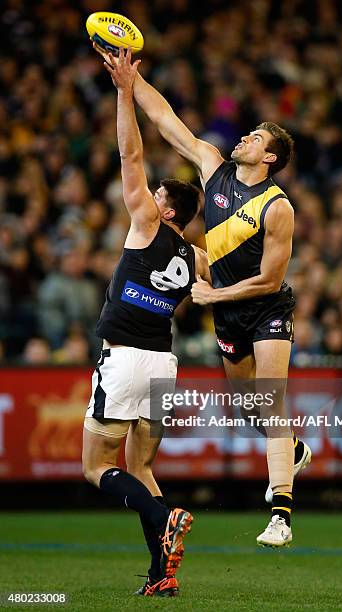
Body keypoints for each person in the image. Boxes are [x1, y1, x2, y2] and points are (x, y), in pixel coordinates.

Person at [122, 65, 313, 548]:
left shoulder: (277, 207)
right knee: (251, 406)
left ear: (268, 157)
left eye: (255, 137)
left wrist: (213, 295)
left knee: (270, 402)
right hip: (229, 315)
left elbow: (270, 279)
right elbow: (166, 121)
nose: (244, 137)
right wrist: (129, 81)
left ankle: (281, 517)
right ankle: (292, 450)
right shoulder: (214, 169)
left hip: (266, 308)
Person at [82, 48, 210, 597]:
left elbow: (128, 155)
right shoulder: (198, 257)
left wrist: (122, 91)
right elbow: (217, 280)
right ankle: (163, 575)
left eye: (159, 195)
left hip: (126, 360)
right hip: (165, 366)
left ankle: (163, 522)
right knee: (143, 470)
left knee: (95, 468)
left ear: (168, 210)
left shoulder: (146, 224)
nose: (149, 194)